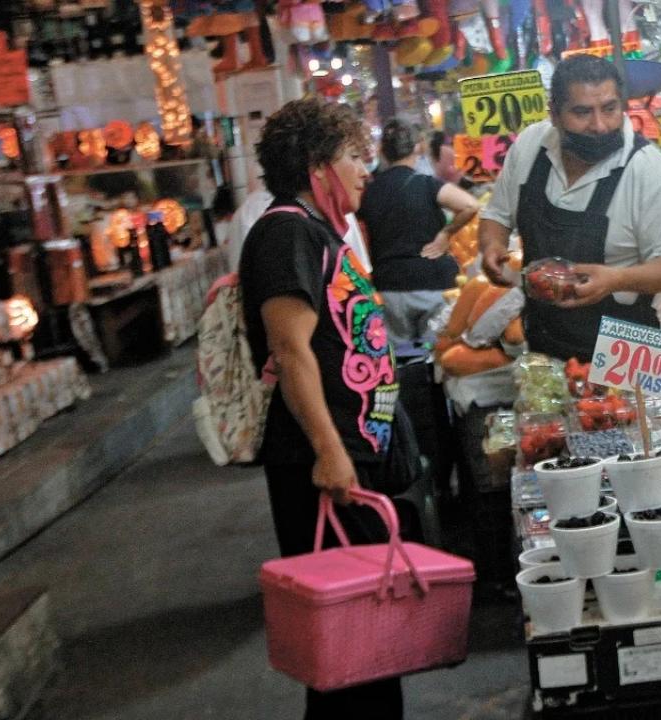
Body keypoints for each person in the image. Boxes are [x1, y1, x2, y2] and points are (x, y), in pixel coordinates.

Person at [238, 97, 408, 719]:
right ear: (317, 167)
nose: (365, 168)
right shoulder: (286, 231)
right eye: (352, 156)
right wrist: (333, 454)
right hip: (323, 467)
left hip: (347, 458)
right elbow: (289, 348)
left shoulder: (315, 231)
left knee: (366, 640)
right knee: (353, 640)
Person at [477, 54, 661, 361]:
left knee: (630, 412)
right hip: (547, 340)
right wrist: (492, 245)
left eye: (609, 109)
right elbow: (496, 215)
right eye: (582, 112)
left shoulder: (650, 173)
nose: (599, 125)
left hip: (634, 351)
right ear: (554, 113)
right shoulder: (530, 147)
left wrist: (617, 279)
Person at [359, 120, 480, 342]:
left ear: (383, 151)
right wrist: (446, 234)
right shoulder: (426, 184)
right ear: (418, 147)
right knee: (435, 357)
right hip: (433, 283)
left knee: (400, 362)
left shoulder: (367, 191)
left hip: (388, 288)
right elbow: (470, 205)